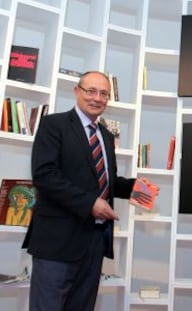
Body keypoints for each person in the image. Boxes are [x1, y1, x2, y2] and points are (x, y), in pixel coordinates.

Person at [22, 71, 136, 311]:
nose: (97, 98)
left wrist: (135, 188)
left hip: (93, 243)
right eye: (91, 91)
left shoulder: (105, 136)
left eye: (104, 93)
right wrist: (90, 204)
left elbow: (106, 181)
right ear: (77, 91)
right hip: (56, 243)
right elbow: (45, 175)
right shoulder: (53, 124)